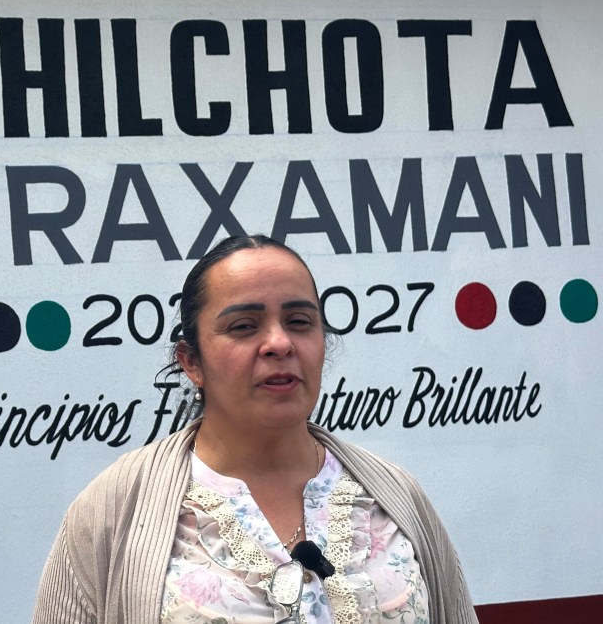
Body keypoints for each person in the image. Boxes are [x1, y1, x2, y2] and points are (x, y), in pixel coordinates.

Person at [32, 234, 477, 624]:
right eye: (244, 326)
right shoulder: (113, 510)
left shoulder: (393, 497)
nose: (280, 343)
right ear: (191, 361)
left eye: (299, 322)